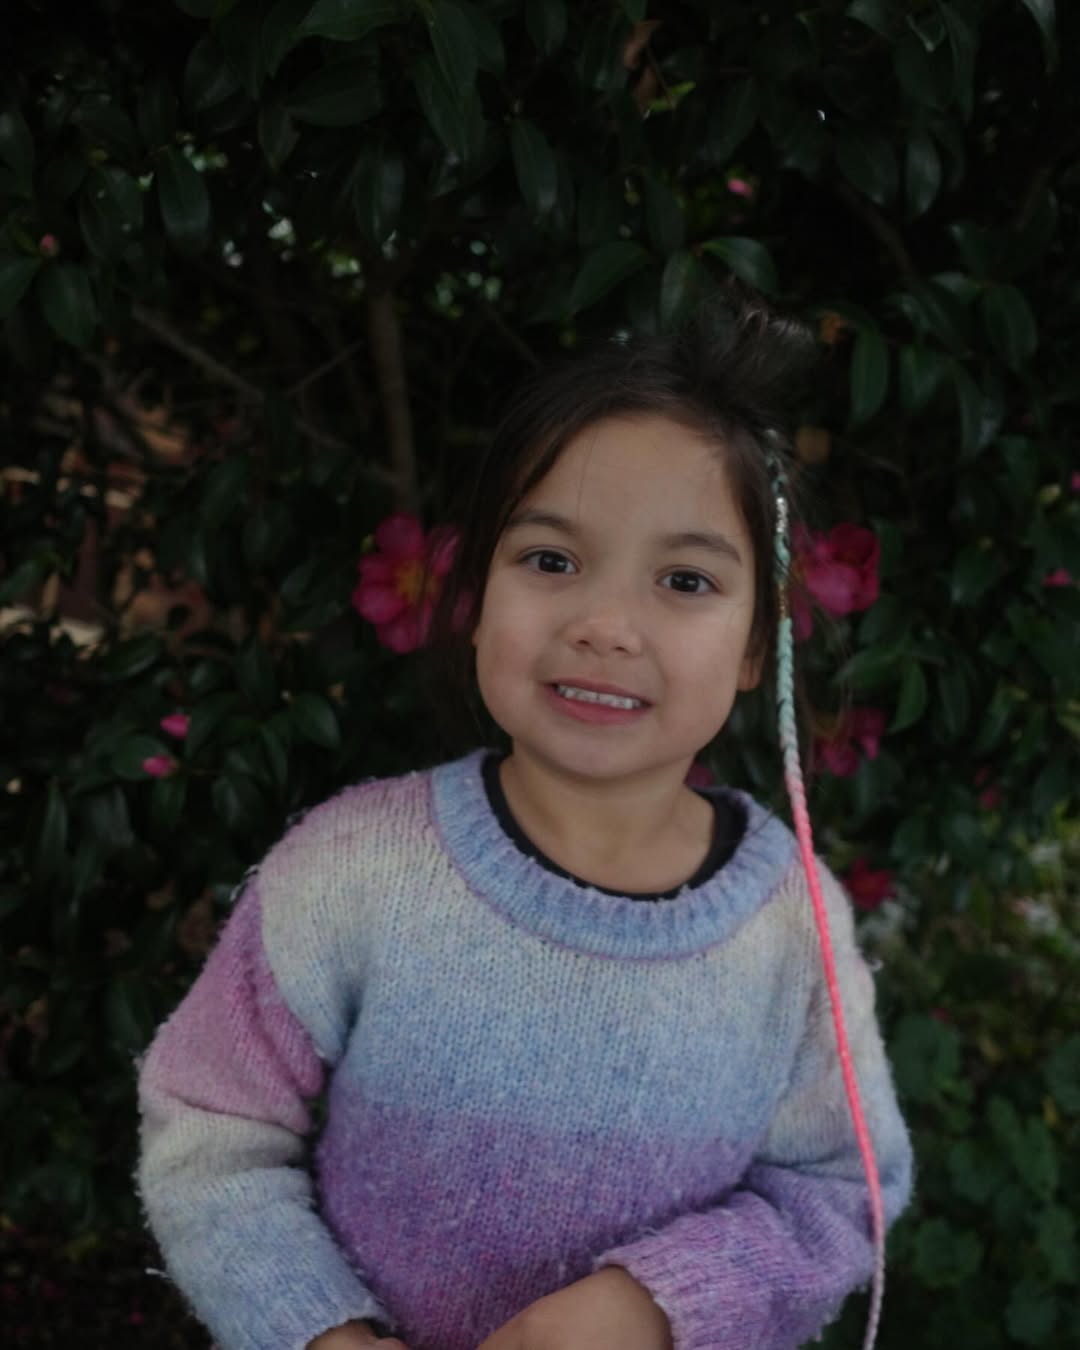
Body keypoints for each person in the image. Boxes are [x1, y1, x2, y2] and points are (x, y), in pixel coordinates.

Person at [135, 285, 914, 1350]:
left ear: (754, 647)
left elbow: (839, 1191)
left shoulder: (793, 926)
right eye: (551, 561)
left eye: (685, 579)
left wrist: (652, 1305)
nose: (605, 624)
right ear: (475, 594)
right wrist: (317, 1332)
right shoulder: (354, 871)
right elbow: (212, 1125)